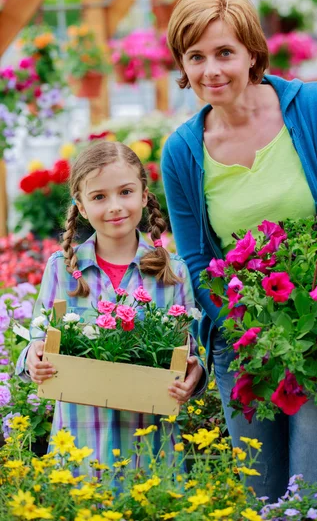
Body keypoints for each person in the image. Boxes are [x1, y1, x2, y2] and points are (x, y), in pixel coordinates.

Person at [161, 0, 317, 501]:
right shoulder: (183, 150)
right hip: (244, 344)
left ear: (252, 53)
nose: (210, 70)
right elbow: (196, 259)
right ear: (182, 65)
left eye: (224, 53)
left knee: (313, 496)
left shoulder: (309, 107)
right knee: (263, 499)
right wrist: (246, 331)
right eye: (196, 57)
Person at [16, 140, 206, 473]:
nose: (115, 206)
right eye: (99, 197)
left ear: (144, 196)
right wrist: (33, 358)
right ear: (82, 206)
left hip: (150, 447)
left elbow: (191, 352)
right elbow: (38, 339)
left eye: (126, 192)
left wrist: (194, 375)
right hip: (79, 445)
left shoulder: (172, 271)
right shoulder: (62, 269)